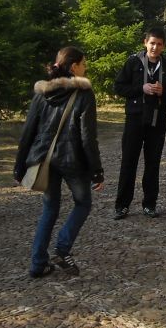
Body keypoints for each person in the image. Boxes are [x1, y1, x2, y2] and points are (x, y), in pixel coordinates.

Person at [14, 47, 104, 278]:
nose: (86, 67)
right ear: (74, 66)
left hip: (45, 159)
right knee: (83, 204)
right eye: (83, 63)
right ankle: (62, 249)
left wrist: (19, 165)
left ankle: (37, 264)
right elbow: (87, 136)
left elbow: (28, 130)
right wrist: (96, 170)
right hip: (73, 160)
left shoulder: (42, 92)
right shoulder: (84, 93)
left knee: (50, 208)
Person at [113, 26, 166, 219]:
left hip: (157, 121)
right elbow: (118, 87)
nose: (155, 47)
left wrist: (163, 92)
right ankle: (122, 206)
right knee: (129, 162)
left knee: (153, 164)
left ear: (163, 46)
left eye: (159, 44)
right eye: (152, 43)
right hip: (135, 119)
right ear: (145, 43)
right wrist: (140, 88)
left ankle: (149, 204)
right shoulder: (133, 62)